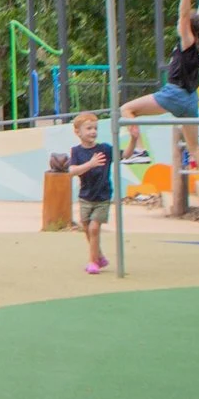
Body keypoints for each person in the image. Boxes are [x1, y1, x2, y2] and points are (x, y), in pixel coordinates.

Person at [122, 0, 199, 183]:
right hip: (190, 99)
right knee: (194, 148)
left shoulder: (187, 41)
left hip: (174, 94)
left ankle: (139, 150)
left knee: (127, 110)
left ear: (188, 28)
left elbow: (183, 15)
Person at [67, 110, 116, 275]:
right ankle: (99, 256)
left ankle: (92, 262)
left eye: (95, 128)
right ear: (78, 132)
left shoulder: (105, 149)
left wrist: (134, 139)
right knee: (87, 229)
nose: (93, 131)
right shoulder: (76, 151)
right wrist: (91, 163)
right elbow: (72, 171)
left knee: (94, 228)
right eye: (88, 128)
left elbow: (125, 155)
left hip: (102, 197)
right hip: (85, 197)